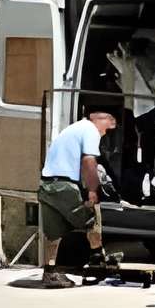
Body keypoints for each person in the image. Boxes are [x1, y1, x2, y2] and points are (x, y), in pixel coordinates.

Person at [37, 107, 116, 287]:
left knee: (54, 234)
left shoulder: (72, 129)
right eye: (106, 129)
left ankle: (50, 273)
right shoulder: (90, 131)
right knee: (91, 220)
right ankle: (98, 262)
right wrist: (93, 190)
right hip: (64, 186)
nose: (105, 134)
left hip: (47, 185)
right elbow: (89, 162)